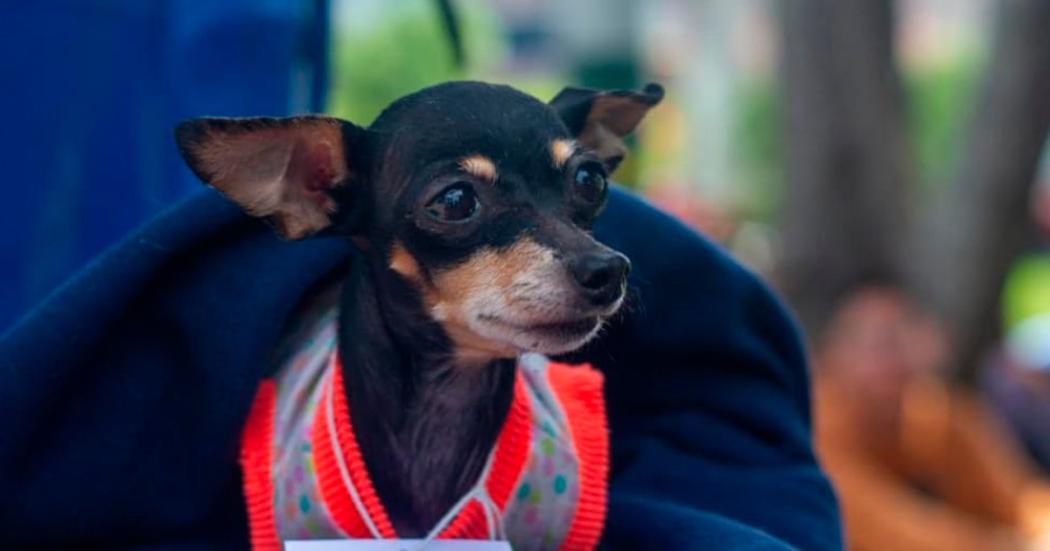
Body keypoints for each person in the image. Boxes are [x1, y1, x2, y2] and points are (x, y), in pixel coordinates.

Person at [0, 184, 841, 549]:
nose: (590, 257)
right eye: (455, 204)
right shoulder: (293, 468)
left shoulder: (557, 477)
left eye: (580, 190)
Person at [814, 286, 1050, 550]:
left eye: (903, 337)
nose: (892, 359)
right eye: (875, 344)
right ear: (831, 354)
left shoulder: (936, 412)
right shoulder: (817, 430)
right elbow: (890, 534)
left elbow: (1018, 498)